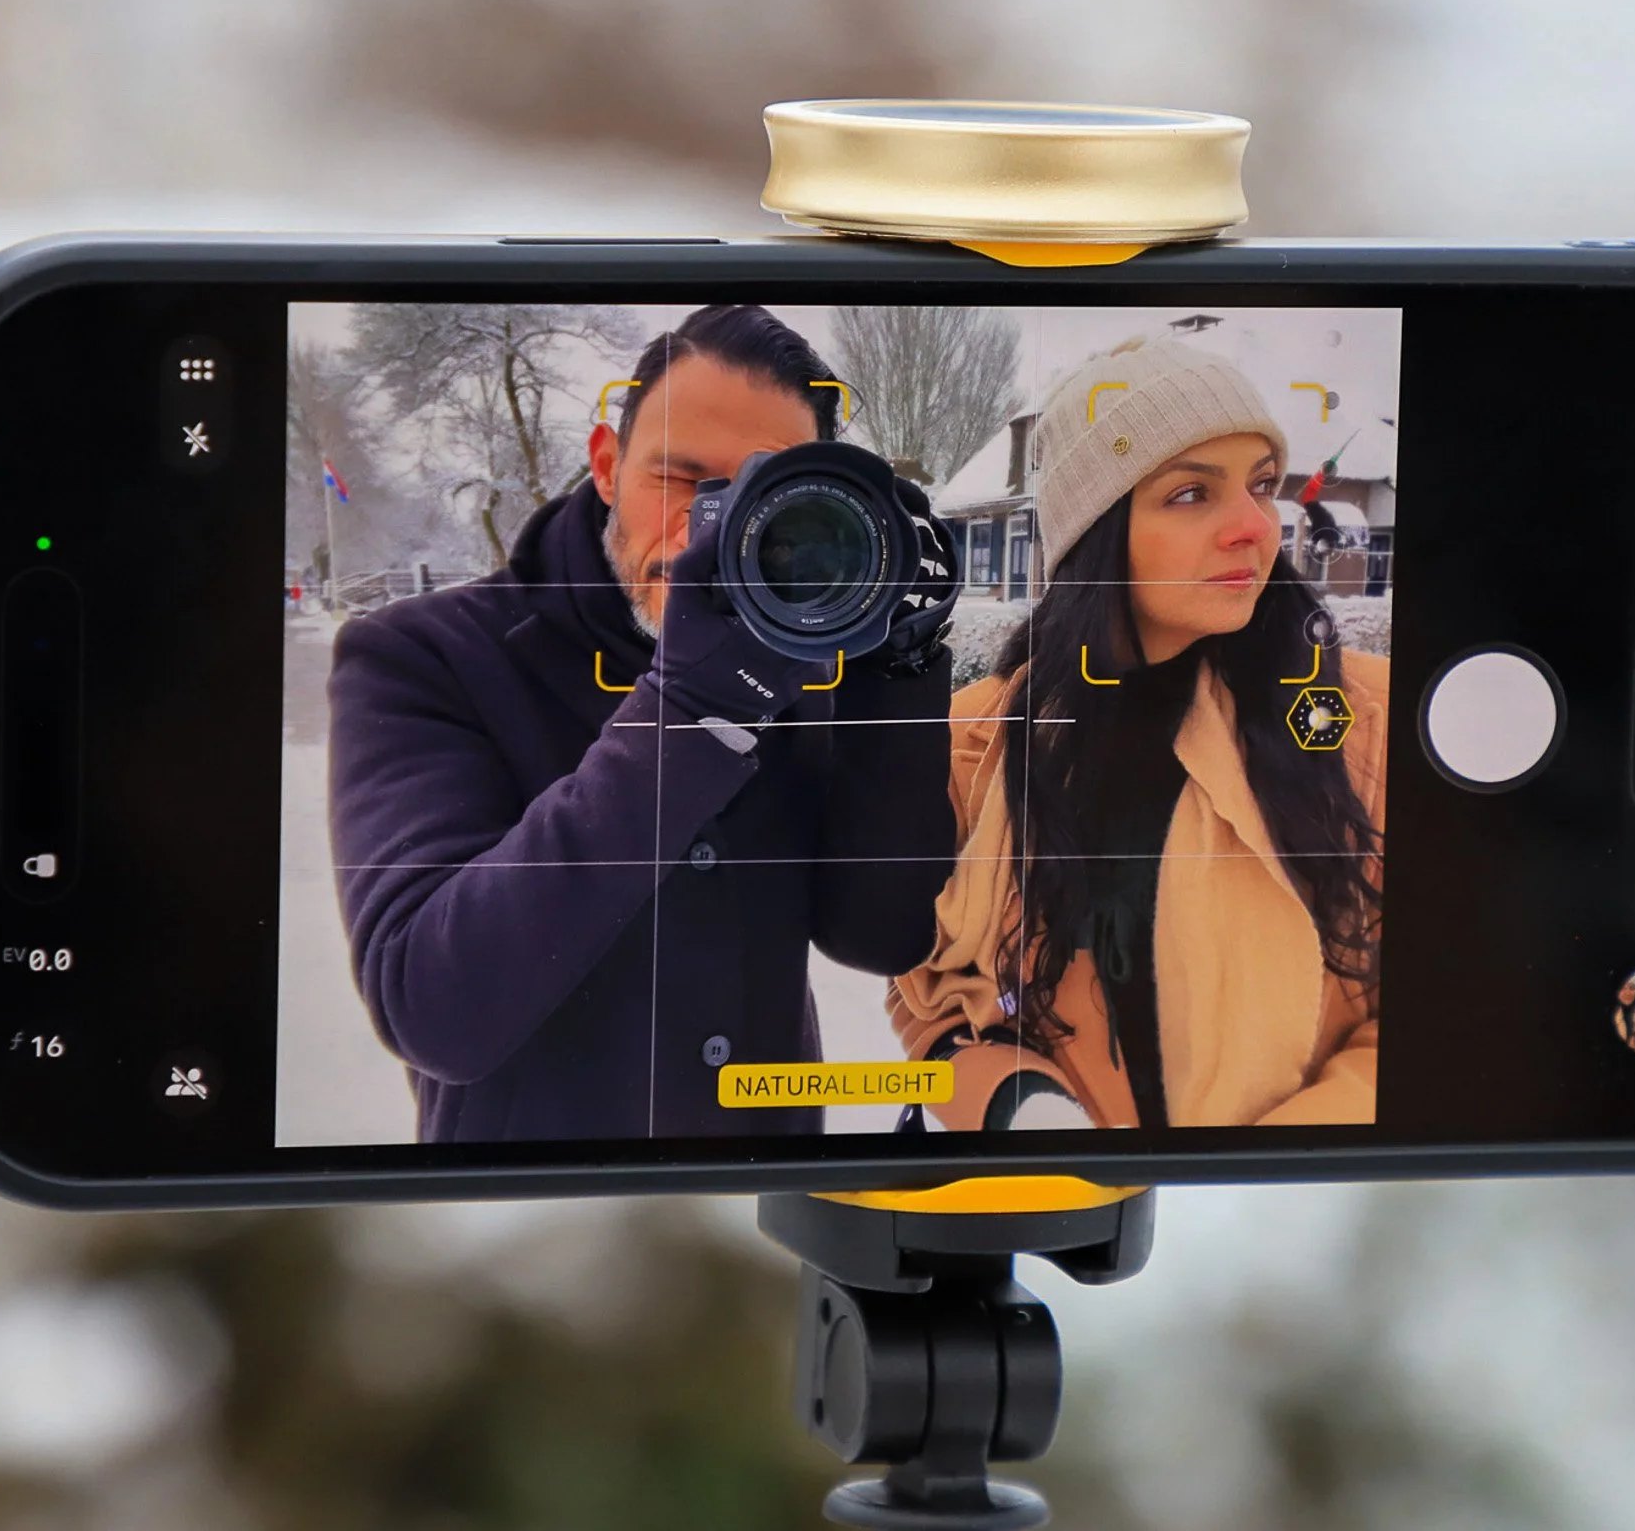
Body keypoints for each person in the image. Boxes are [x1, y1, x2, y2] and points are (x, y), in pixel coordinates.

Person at [328, 304, 958, 1143]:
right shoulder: (424, 655)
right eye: (684, 480)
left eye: (756, 496)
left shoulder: (797, 644)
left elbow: (879, 933)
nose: (714, 531)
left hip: (763, 1194)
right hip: (530, 1228)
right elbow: (433, 1006)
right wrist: (691, 716)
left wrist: (897, 669)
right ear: (605, 464)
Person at [890, 334, 1387, 1130]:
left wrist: (1269, 1178)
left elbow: (1434, 1005)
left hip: (1298, 1226)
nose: (1255, 528)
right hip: (1064, 1204)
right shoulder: (979, 743)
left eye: (1262, 486)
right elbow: (932, 995)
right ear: (1096, 533)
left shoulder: (1362, 721)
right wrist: (1012, 1102)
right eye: (1191, 494)